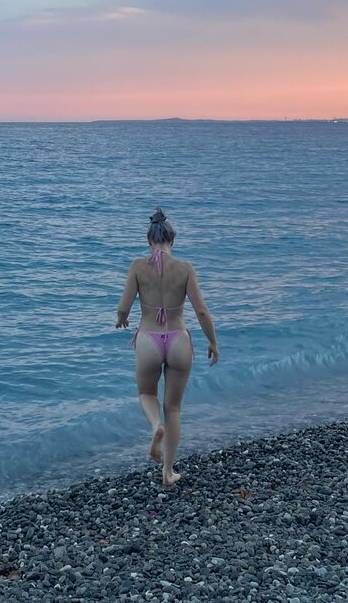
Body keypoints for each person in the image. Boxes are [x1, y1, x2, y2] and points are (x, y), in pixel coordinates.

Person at [115, 207, 219, 487]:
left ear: (149, 240)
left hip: (148, 339)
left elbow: (124, 306)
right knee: (173, 408)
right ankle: (168, 471)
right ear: (172, 240)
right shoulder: (186, 269)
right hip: (178, 341)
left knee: (146, 393)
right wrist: (212, 341)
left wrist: (121, 319)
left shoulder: (137, 267)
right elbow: (202, 312)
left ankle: (154, 426)